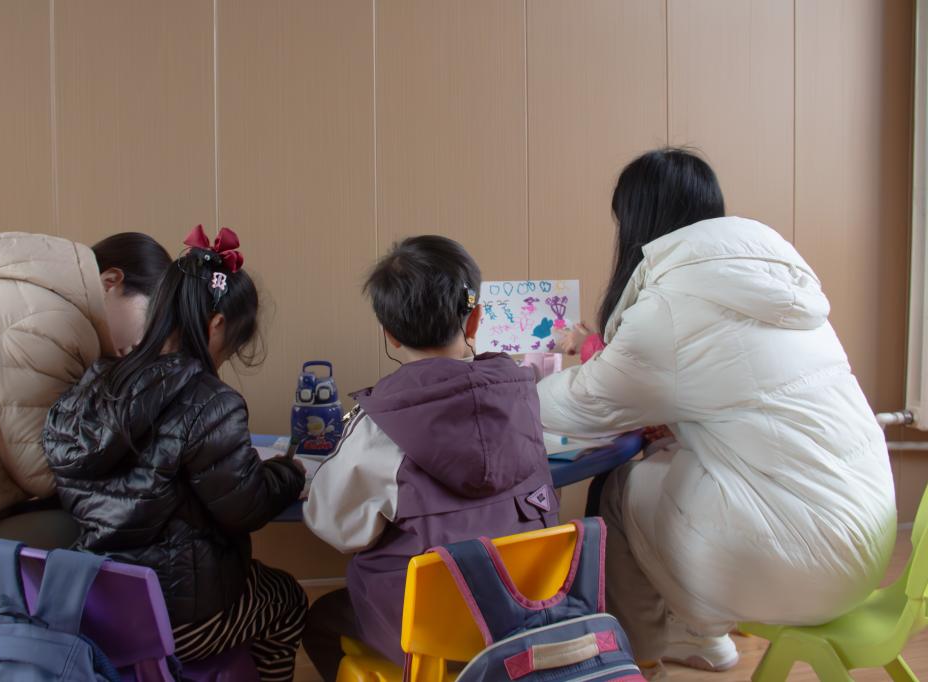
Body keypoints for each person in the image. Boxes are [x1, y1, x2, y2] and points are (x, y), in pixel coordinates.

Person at [536, 148, 896, 672]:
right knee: (670, 462)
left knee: (618, 494)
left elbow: (581, 405)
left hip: (807, 561)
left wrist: (499, 391)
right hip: (868, 535)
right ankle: (704, 637)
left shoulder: (671, 306)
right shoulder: (776, 283)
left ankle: (641, 658)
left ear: (637, 221)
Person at [44, 225, 307, 682]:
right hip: (177, 622)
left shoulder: (95, 382)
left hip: (94, 608)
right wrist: (291, 472)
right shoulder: (209, 401)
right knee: (286, 599)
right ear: (216, 325)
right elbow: (245, 507)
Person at [0, 230, 170, 679]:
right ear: (111, 282)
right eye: (153, 317)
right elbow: (46, 470)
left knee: (17, 560)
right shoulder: (55, 321)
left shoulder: (22, 300)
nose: (146, 342)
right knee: (77, 536)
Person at [301, 235, 557, 680]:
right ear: (474, 318)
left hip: (427, 639)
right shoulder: (526, 399)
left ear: (389, 333)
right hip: (523, 619)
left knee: (321, 620)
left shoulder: (381, 427)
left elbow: (337, 527)